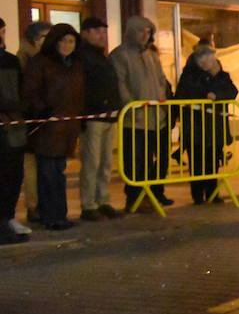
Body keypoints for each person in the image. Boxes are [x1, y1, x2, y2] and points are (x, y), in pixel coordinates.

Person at [22, 23, 86, 230]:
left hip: (67, 127)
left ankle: (60, 214)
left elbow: (78, 94)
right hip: (47, 127)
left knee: (59, 173)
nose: (67, 45)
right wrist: (43, 112)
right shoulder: (41, 62)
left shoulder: (75, 64)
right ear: (54, 42)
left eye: (71, 41)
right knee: (48, 173)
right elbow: (30, 91)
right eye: (63, 41)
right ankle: (50, 216)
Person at [110, 17, 174, 211]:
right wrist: (132, 106)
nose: (145, 35)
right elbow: (120, 84)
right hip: (136, 119)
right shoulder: (120, 55)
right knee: (137, 160)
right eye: (141, 31)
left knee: (161, 158)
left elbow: (162, 82)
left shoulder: (152, 55)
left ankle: (156, 192)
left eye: (148, 31)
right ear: (131, 32)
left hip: (158, 117)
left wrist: (164, 107)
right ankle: (136, 198)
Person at [174, 44, 238, 204]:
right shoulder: (190, 75)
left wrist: (217, 95)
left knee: (213, 161)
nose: (212, 61)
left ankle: (212, 192)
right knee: (197, 162)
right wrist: (205, 94)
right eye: (209, 59)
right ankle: (197, 195)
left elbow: (232, 91)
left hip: (215, 126)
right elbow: (183, 94)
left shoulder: (220, 75)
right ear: (200, 60)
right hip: (196, 127)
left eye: (213, 58)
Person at [76, 17, 122, 221]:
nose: (102, 36)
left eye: (104, 32)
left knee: (106, 161)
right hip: (93, 115)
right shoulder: (82, 57)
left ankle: (103, 199)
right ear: (85, 33)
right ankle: (88, 204)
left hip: (109, 116)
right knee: (91, 162)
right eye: (97, 31)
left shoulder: (102, 57)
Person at [14, 20, 51, 226]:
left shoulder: (41, 58)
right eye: (47, 37)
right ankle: (33, 205)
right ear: (36, 39)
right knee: (31, 164)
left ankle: (41, 204)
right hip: (30, 117)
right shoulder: (25, 59)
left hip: (42, 117)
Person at [0, 19, 30, 243]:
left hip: (14, 127)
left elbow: (20, 90)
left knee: (13, 176)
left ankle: (7, 219)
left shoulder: (10, 61)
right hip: (6, 123)